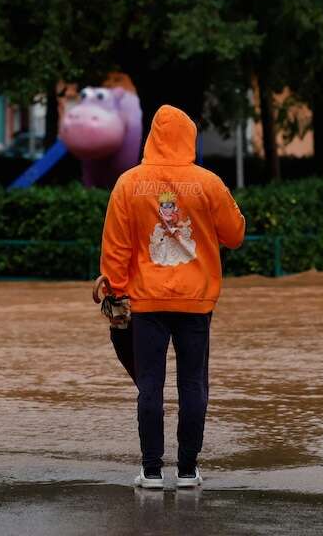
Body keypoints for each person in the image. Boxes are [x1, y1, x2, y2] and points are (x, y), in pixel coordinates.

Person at [99, 105, 245, 489]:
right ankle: (186, 470)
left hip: (146, 302)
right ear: (190, 138)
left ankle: (150, 471)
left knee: (150, 385)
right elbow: (235, 235)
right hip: (195, 302)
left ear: (151, 137)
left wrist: (114, 291)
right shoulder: (209, 183)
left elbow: (114, 247)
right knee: (193, 384)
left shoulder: (128, 183)